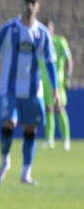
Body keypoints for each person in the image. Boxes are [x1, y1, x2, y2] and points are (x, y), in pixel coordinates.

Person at [0, 0, 61, 185]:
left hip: (34, 91)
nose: (29, 7)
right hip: (9, 88)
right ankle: (5, 161)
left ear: (38, 7)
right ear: (21, 4)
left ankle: (26, 173)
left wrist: (56, 90)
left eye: (33, 3)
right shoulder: (8, 29)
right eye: (26, 3)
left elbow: (50, 63)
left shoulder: (42, 33)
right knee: (8, 124)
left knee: (30, 130)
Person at [41, 18, 73, 151]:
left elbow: (69, 60)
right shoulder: (41, 43)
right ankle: (50, 139)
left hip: (57, 81)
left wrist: (68, 76)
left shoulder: (60, 42)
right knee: (48, 109)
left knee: (60, 108)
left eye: (49, 27)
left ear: (52, 28)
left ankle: (66, 139)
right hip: (43, 81)